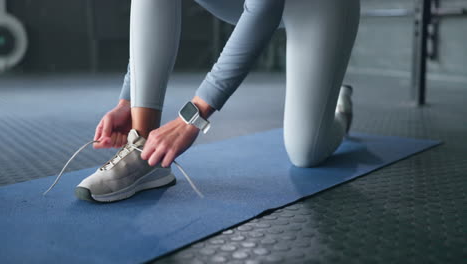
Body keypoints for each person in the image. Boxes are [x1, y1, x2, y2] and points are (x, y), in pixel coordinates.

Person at [75, 0, 360, 202]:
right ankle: (143, 149)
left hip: (317, 6)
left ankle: (339, 109)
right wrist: (129, 100)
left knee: (306, 153)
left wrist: (194, 115)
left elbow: (265, 7)